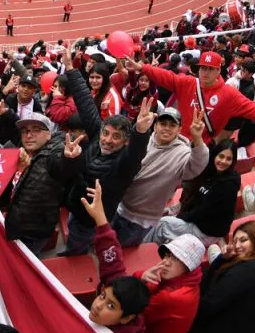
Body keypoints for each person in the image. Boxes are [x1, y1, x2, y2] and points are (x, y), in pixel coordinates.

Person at [59, 67, 150, 256]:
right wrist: (71, 70)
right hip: (76, 209)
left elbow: (135, 154)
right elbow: (86, 105)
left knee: (76, 248)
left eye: (116, 136)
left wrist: (140, 132)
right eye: (106, 133)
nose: (108, 140)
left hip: (88, 221)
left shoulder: (124, 165)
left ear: (126, 141)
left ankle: (76, 257)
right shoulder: (96, 137)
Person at [127, 51, 255, 144]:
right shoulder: (187, 82)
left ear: (218, 71)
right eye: (203, 68)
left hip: (201, 145)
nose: (205, 73)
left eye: (210, 69)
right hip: (176, 139)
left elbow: (251, 108)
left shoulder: (229, 94)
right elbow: (166, 76)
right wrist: (142, 68)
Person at [113, 105, 208, 247]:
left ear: (179, 129)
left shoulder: (183, 152)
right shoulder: (143, 139)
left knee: (118, 250)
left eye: (172, 125)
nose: (167, 128)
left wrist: (197, 138)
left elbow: (197, 164)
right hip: (118, 205)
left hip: (140, 220)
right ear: (155, 126)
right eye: (163, 124)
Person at [180, 220, 255, 333]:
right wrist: (223, 258)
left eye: (243, 240)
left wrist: (183, 312)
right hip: (237, 332)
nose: (237, 246)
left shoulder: (249, 268)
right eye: (235, 241)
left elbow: (209, 305)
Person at [80, 180, 151, 333]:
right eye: (103, 296)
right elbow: (110, 255)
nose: (98, 305)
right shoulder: (116, 283)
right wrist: (100, 217)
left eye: (111, 306)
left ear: (126, 318)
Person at [1, 114, 81, 254]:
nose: (29, 135)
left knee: (27, 261)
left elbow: (60, 165)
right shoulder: (18, 150)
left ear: (48, 134)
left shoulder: (53, 153)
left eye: (36, 129)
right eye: (25, 131)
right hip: (14, 220)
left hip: (33, 232)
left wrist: (68, 159)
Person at [146, 139, 241, 247]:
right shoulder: (211, 171)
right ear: (215, 155)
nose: (223, 161)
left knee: (162, 224)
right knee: (157, 219)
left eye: (229, 159)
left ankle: (146, 250)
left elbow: (205, 210)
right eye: (221, 156)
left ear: (233, 161)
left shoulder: (229, 185)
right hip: (198, 220)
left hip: (207, 232)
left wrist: (182, 217)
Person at [132, 232, 205, 333]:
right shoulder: (190, 281)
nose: (166, 262)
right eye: (167, 255)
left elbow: (129, 312)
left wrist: (139, 277)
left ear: (188, 266)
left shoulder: (172, 297)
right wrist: (142, 276)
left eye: (176, 258)